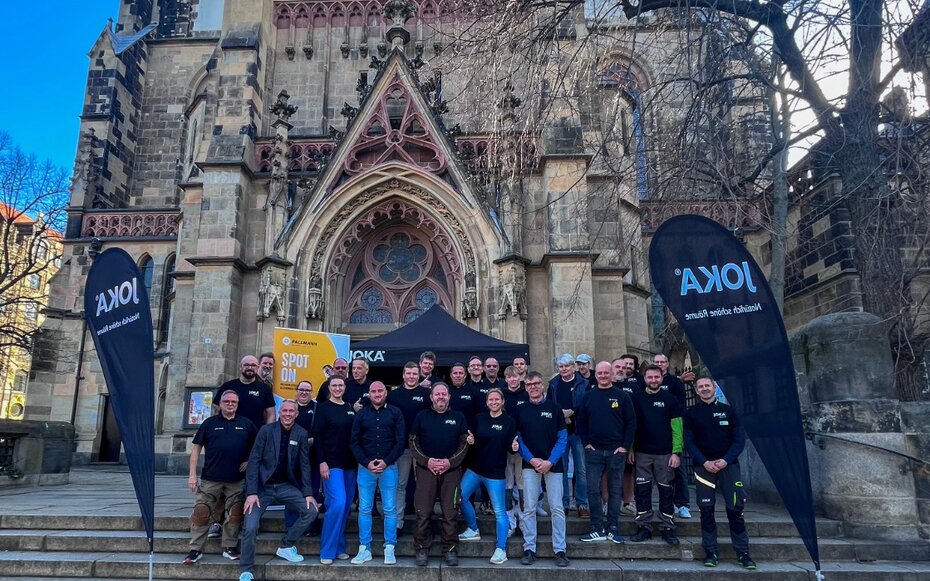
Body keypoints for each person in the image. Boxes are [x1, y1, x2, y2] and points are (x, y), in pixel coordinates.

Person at [239, 400, 318, 581]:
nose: (288, 414)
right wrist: (251, 493)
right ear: (279, 412)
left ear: (297, 414)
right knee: (250, 526)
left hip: (285, 486)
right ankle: (246, 569)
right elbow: (254, 461)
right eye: (285, 411)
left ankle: (286, 545)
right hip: (262, 488)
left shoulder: (301, 434)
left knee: (311, 511)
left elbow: (305, 466)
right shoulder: (266, 431)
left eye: (292, 411)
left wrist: (308, 494)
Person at [685, 375, 756, 569]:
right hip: (704, 468)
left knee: (735, 510)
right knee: (706, 511)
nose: (705, 389)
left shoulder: (729, 411)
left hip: (729, 466)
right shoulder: (691, 414)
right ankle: (711, 551)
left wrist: (725, 460)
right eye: (701, 386)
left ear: (714, 387)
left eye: (708, 385)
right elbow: (689, 441)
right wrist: (704, 461)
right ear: (696, 391)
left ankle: (743, 553)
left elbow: (739, 440)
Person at [184, 390, 257, 565]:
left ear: (238, 404)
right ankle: (195, 549)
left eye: (234, 401)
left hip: (236, 478)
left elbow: (259, 445)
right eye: (227, 401)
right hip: (211, 478)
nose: (230, 404)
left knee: (235, 513)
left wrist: (249, 460)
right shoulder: (209, 423)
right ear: (220, 403)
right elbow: (196, 449)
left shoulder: (246, 424)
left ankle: (230, 547)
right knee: (201, 512)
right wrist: (192, 475)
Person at [208, 355, 275, 539]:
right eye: (247, 364)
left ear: (257, 367)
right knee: (221, 483)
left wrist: (265, 434)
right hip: (227, 441)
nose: (250, 367)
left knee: (249, 483)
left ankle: (247, 520)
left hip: (253, 443)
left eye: (253, 365)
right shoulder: (229, 387)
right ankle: (216, 522)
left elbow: (270, 413)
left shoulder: (264, 389)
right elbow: (215, 411)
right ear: (240, 366)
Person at [409, 382, 470, 567]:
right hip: (426, 470)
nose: (441, 397)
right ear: (431, 397)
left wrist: (448, 462)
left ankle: (450, 550)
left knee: (450, 512)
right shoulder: (421, 416)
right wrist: (427, 461)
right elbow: (413, 442)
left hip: (451, 472)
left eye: (444, 394)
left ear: (449, 397)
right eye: (437, 394)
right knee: (423, 512)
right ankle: (421, 549)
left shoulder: (458, 417)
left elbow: (464, 444)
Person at [576, 362, 636, 543]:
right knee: (593, 489)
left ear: (611, 374)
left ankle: (613, 527)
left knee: (615, 490)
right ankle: (596, 527)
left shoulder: (623, 396)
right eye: (599, 373)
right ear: (596, 375)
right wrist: (586, 443)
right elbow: (581, 422)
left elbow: (631, 423)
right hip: (593, 451)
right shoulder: (588, 397)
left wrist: (624, 446)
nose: (602, 375)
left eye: (606, 372)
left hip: (616, 451)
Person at [458, 388, 518, 565]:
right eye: (490, 399)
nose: (493, 402)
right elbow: (473, 441)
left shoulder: (508, 421)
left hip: (495, 473)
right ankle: (473, 529)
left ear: (502, 401)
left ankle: (501, 549)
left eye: (496, 399)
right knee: (460, 498)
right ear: (486, 402)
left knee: (499, 512)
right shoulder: (479, 419)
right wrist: (470, 441)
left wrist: (513, 448)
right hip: (475, 469)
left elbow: (510, 446)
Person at [516, 371, 570, 568]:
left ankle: (560, 550)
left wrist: (549, 461)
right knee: (529, 508)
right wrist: (531, 459)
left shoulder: (554, 408)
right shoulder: (520, 409)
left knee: (556, 507)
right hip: (530, 465)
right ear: (526, 387)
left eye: (536, 383)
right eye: (529, 384)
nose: (533, 387)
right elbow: (518, 439)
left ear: (543, 385)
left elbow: (562, 438)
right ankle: (529, 548)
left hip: (553, 465)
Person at [349, 381, 406, 565]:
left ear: (386, 392)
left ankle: (390, 547)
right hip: (365, 469)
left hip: (389, 467)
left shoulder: (396, 413)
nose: (377, 393)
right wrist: (367, 463)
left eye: (380, 390)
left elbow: (400, 441)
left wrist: (386, 461)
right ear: (369, 394)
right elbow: (354, 442)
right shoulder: (362, 414)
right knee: (364, 509)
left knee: (390, 509)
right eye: (373, 391)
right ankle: (364, 548)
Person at [629, 365, 684, 546]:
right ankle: (643, 526)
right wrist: (630, 449)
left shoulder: (671, 400)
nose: (653, 380)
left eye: (656, 377)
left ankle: (667, 527)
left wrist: (676, 452)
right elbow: (631, 426)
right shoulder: (636, 399)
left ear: (662, 378)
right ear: (644, 379)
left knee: (666, 491)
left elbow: (677, 428)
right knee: (642, 492)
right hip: (642, 453)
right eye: (650, 377)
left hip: (665, 454)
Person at [312, 376, 357, 564]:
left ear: (344, 388)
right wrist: (322, 462)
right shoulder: (322, 408)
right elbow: (317, 437)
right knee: (337, 503)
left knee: (345, 507)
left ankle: (339, 546)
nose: (337, 388)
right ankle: (327, 551)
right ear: (329, 387)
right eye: (334, 385)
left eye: (340, 385)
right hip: (331, 464)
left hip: (350, 464)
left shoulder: (349, 408)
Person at [386, 362, 430, 537]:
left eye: (414, 374)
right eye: (408, 373)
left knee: (424, 486)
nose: (411, 376)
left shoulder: (426, 395)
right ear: (403, 375)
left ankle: (423, 523)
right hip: (401, 448)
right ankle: (398, 523)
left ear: (418, 375)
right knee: (400, 485)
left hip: (423, 448)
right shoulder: (394, 395)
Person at [548, 353, 590, 517]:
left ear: (573, 367)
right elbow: (550, 406)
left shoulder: (584, 383)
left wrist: (571, 412)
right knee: (562, 468)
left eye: (567, 366)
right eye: (561, 366)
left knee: (581, 469)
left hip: (578, 430)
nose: (564, 369)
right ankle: (564, 502)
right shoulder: (553, 384)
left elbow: (586, 405)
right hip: (560, 431)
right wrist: (561, 415)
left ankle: (581, 503)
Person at [654, 353, 692, 519]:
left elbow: (681, 407)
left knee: (679, 469)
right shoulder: (647, 382)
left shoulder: (675, 383)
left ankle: (682, 504)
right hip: (654, 434)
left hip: (673, 432)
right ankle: (666, 504)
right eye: (657, 362)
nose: (660, 364)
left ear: (667, 364)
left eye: (663, 362)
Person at [283, 380, 320, 537]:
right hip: (292, 460)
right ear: (296, 391)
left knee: (311, 493)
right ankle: (291, 527)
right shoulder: (289, 408)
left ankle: (310, 526)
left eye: (307, 389)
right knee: (291, 493)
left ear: (312, 392)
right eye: (301, 389)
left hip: (312, 458)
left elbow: (321, 431)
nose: (304, 392)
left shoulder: (317, 408)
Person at [502, 364, 528, 535]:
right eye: (509, 377)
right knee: (508, 482)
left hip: (523, 444)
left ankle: (523, 520)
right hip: (504, 444)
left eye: (515, 376)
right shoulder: (501, 395)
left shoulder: (526, 394)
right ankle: (511, 521)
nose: (512, 379)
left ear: (520, 377)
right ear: (506, 379)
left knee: (522, 482)